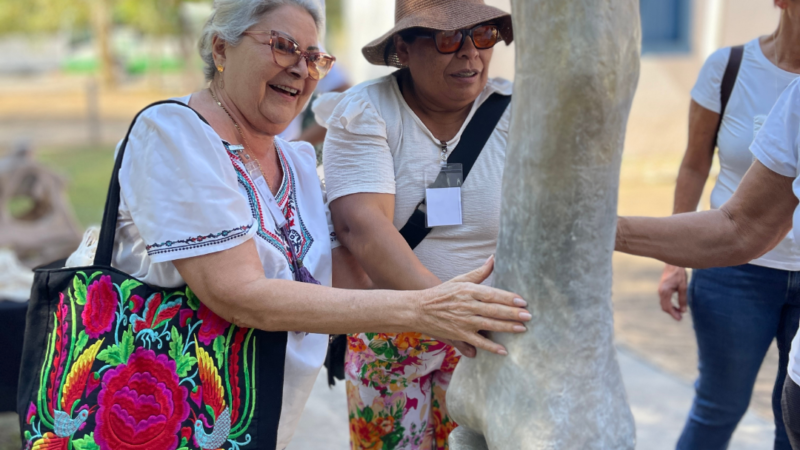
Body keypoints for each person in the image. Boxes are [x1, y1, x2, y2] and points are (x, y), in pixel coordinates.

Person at [103, 0, 531, 448]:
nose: (300, 69)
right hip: (152, 420)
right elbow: (239, 294)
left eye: (313, 58)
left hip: (256, 425)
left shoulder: (297, 163)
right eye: (283, 47)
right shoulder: (174, 133)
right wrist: (426, 308)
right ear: (221, 49)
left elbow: (336, 276)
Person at [313, 0, 514, 447]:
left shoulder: (512, 113)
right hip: (390, 328)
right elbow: (362, 226)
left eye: (482, 35)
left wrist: (470, 317)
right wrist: (446, 308)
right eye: (448, 38)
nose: (470, 53)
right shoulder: (367, 111)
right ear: (404, 47)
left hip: (484, 334)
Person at [616, 74, 800, 449]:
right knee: (720, 405)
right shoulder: (763, 83)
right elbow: (739, 225)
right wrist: (602, 230)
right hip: (741, 278)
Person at [655, 1, 800, 447]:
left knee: (791, 416)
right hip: (735, 273)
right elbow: (694, 165)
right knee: (720, 406)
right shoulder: (730, 67)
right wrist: (673, 260)